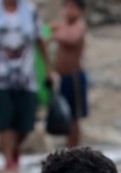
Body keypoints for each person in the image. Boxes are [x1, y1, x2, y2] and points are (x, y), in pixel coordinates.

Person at [0, 0, 47, 172]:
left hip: (27, 77)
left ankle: (14, 148)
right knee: (5, 120)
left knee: (26, 123)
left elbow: (41, 40)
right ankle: (9, 160)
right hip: (1, 76)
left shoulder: (30, 11)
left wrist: (48, 69)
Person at [50, 0, 87, 148]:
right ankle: (69, 145)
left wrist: (55, 33)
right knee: (65, 114)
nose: (68, 10)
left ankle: (74, 146)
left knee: (74, 116)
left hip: (75, 77)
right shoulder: (63, 26)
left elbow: (71, 38)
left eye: (72, 7)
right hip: (62, 77)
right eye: (66, 6)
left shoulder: (79, 26)